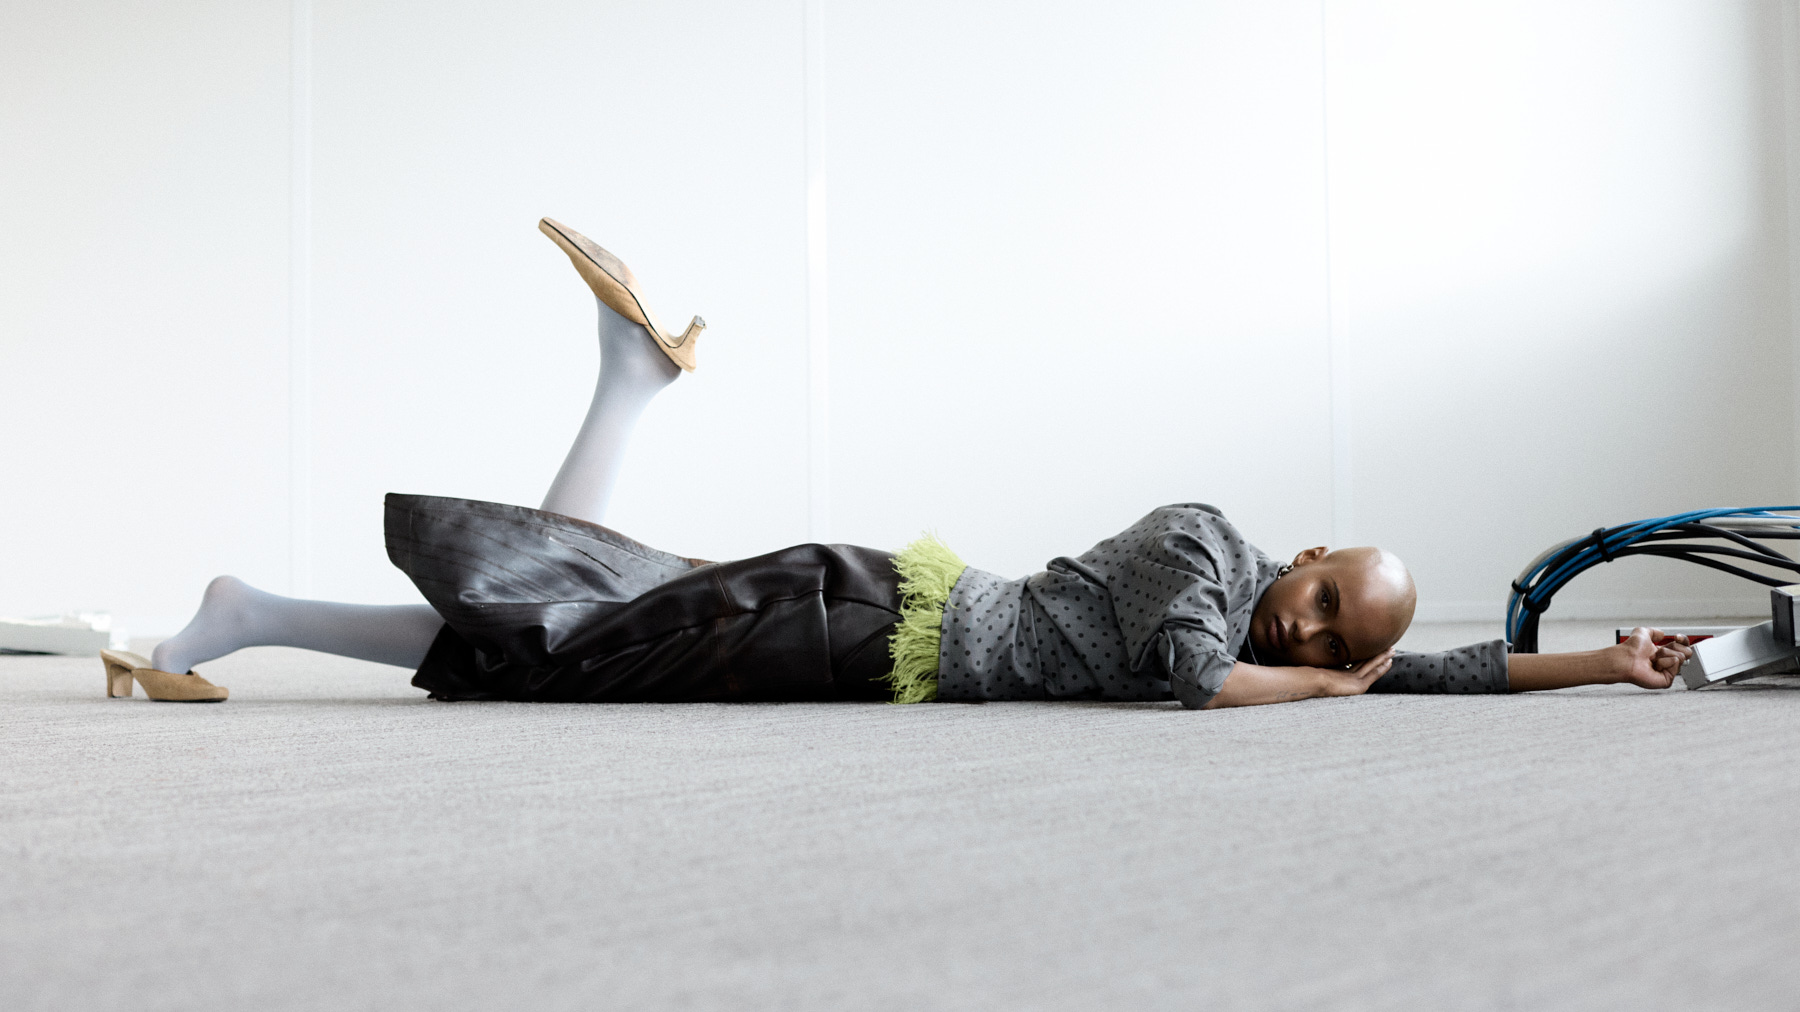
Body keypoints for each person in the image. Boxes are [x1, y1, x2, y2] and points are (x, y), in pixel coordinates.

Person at [98, 219, 1697, 708]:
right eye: (1331, 601)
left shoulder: (1321, 637)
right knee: (557, 645)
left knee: (558, 623)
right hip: (869, 618)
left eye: (1341, 636)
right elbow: (1210, 685)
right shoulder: (1206, 546)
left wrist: (1595, 668)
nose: (1319, 636)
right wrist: (1339, 691)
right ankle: (623, 384)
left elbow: (1435, 674)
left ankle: (243, 614)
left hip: (863, 624)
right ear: (1309, 550)